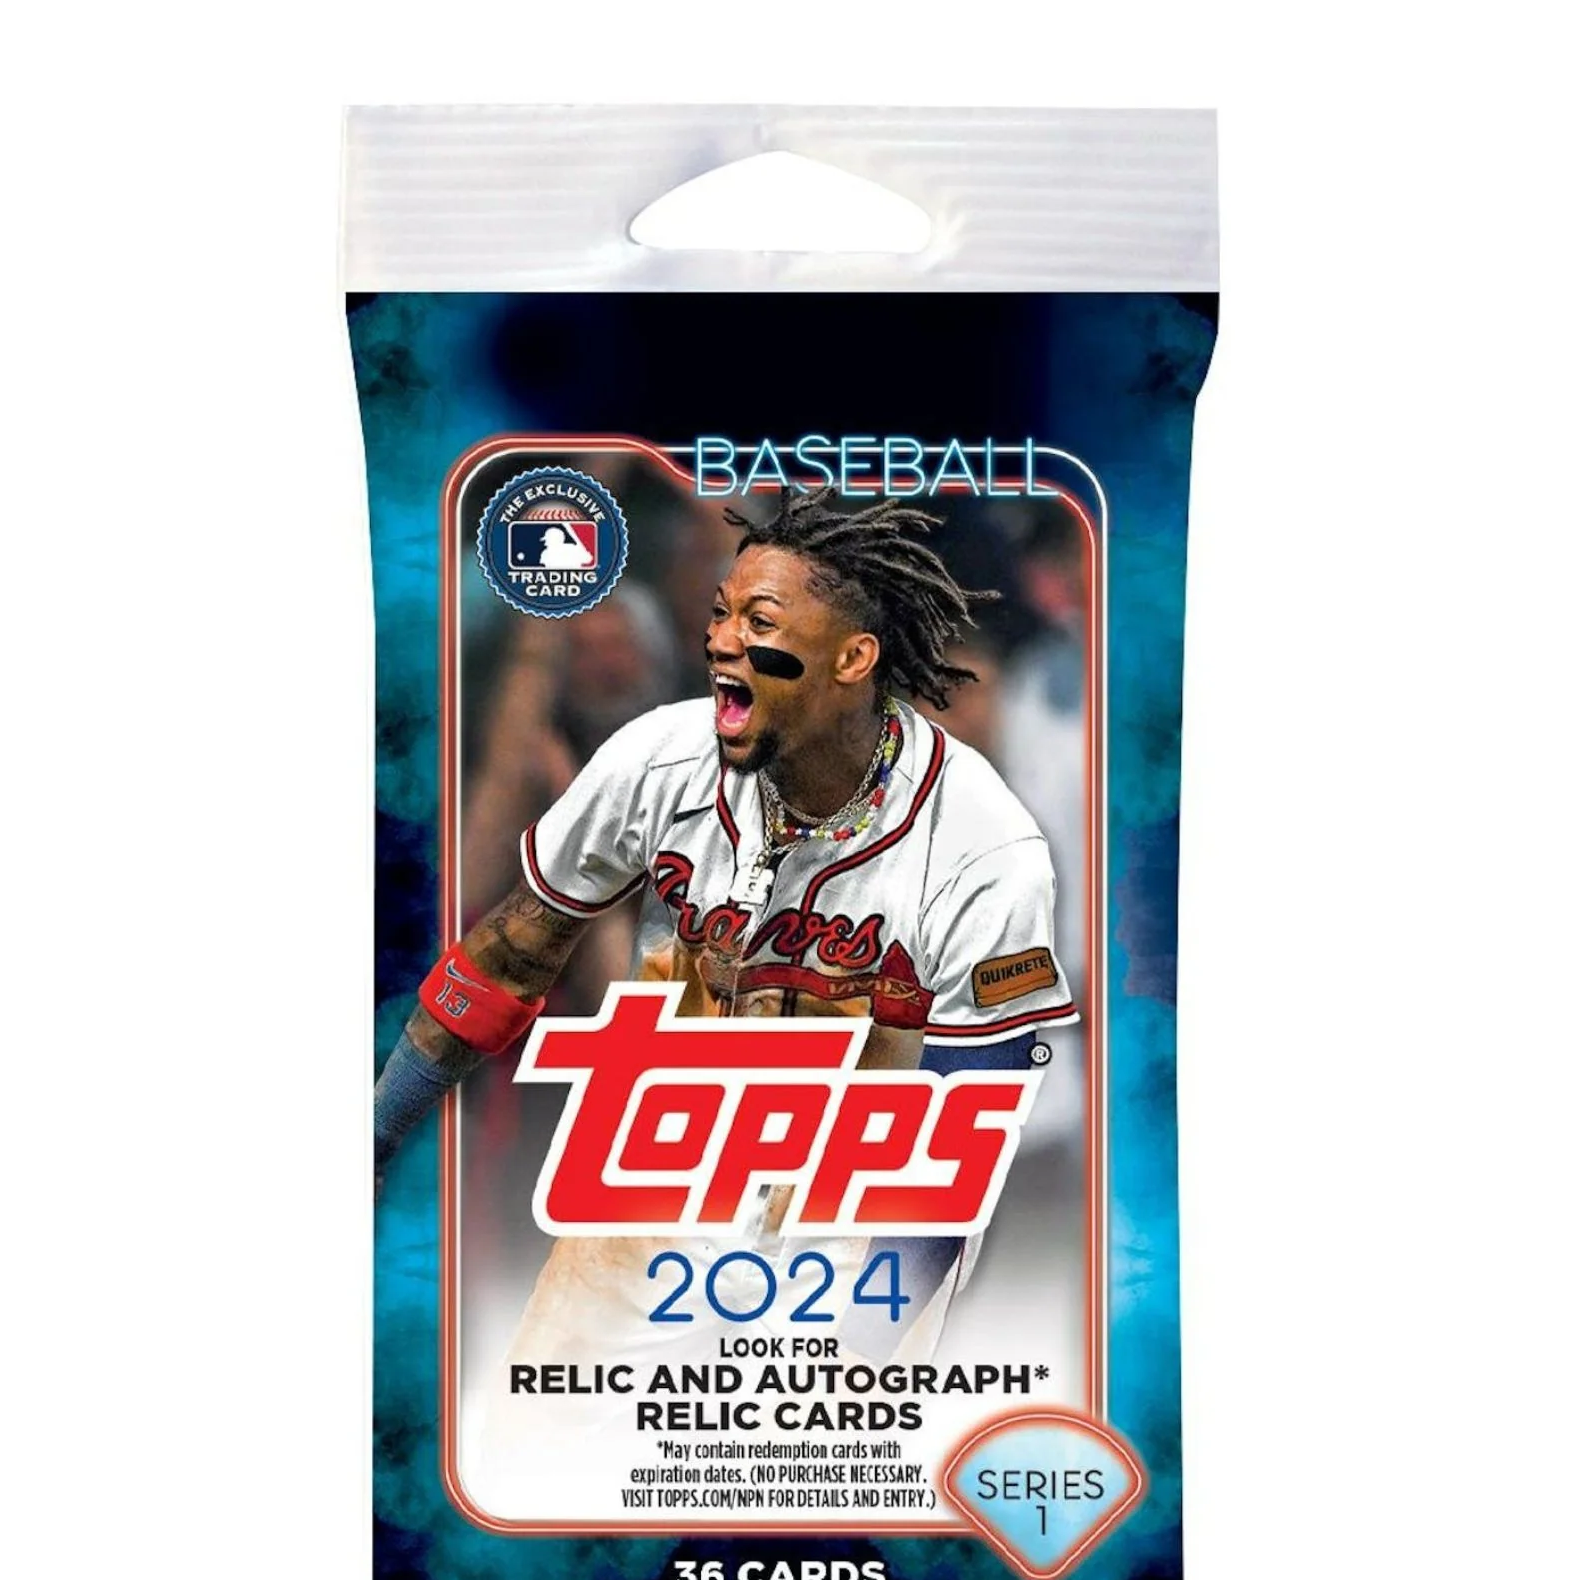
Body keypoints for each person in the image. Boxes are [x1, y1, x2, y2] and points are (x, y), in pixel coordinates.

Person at [374, 485, 1077, 1363]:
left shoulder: (983, 843)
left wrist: (849, 1359)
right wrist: (379, 1128)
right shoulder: (656, 760)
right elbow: (509, 954)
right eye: (719, 614)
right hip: (643, 1219)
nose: (721, 641)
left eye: (759, 621)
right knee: (534, 1437)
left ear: (854, 657)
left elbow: (960, 1143)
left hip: (852, 1253)